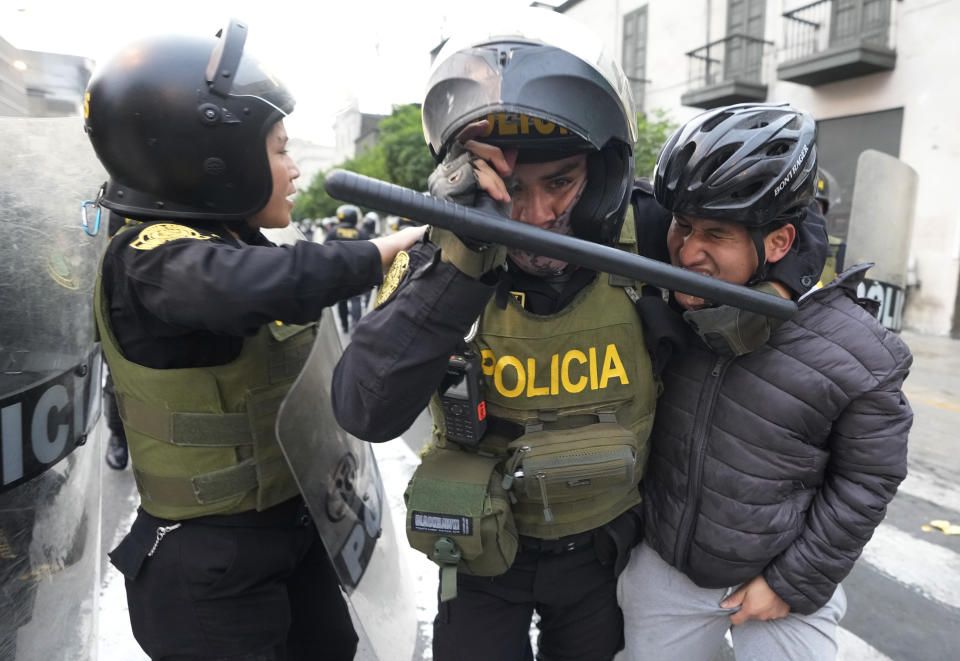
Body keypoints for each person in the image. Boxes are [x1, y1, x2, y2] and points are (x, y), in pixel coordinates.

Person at [84, 21, 423, 661]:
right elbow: (250, 287)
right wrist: (381, 251)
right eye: (279, 149)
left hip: (295, 530)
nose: (295, 169)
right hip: (212, 569)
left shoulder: (239, 242)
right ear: (209, 161)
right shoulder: (149, 259)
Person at [332, 11, 662, 660]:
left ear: (602, 176)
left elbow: (746, 254)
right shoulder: (437, 257)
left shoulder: (648, 236)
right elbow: (362, 408)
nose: (536, 217)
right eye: (510, 188)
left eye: (560, 182)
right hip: (480, 554)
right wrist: (458, 263)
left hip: (603, 552)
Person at [617, 103, 914, 660]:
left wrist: (791, 582)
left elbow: (868, 480)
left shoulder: (861, 353)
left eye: (716, 234)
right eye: (682, 225)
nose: (687, 252)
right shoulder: (670, 302)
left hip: (782, 578)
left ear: (778, 244)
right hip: (665, 568)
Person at [324, 204, 370, 333]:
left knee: (341, 301)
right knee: (356, 299)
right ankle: (356, 325)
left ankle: (344, 325)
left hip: (339, 273)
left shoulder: (332, 232)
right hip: (356, 272)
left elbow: (325, 251)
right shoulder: (361, 233)